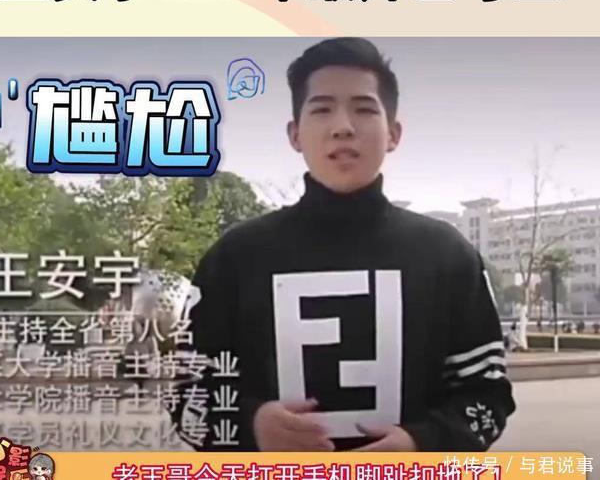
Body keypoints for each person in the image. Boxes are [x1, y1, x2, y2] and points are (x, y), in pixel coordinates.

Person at [186, 38, 516, 452]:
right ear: (294, 134)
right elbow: (185, 389)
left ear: (393, 133)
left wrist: (421, 445)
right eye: (322, 109)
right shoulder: (235, 257)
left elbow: (488, 396)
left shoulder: (447, 255)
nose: (342, 126)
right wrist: (251, 424)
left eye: (364, 109)